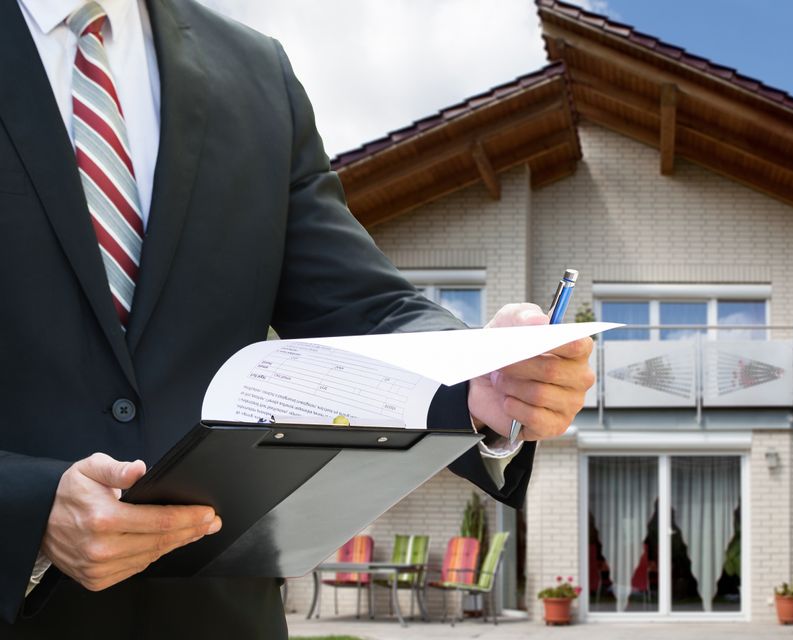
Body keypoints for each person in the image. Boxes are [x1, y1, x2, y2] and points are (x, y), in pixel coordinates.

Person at [0, 0, 595, 636]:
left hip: (222, 618)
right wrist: (24, 510)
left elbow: (356, 304)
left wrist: (478, 379)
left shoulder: (257, 73)